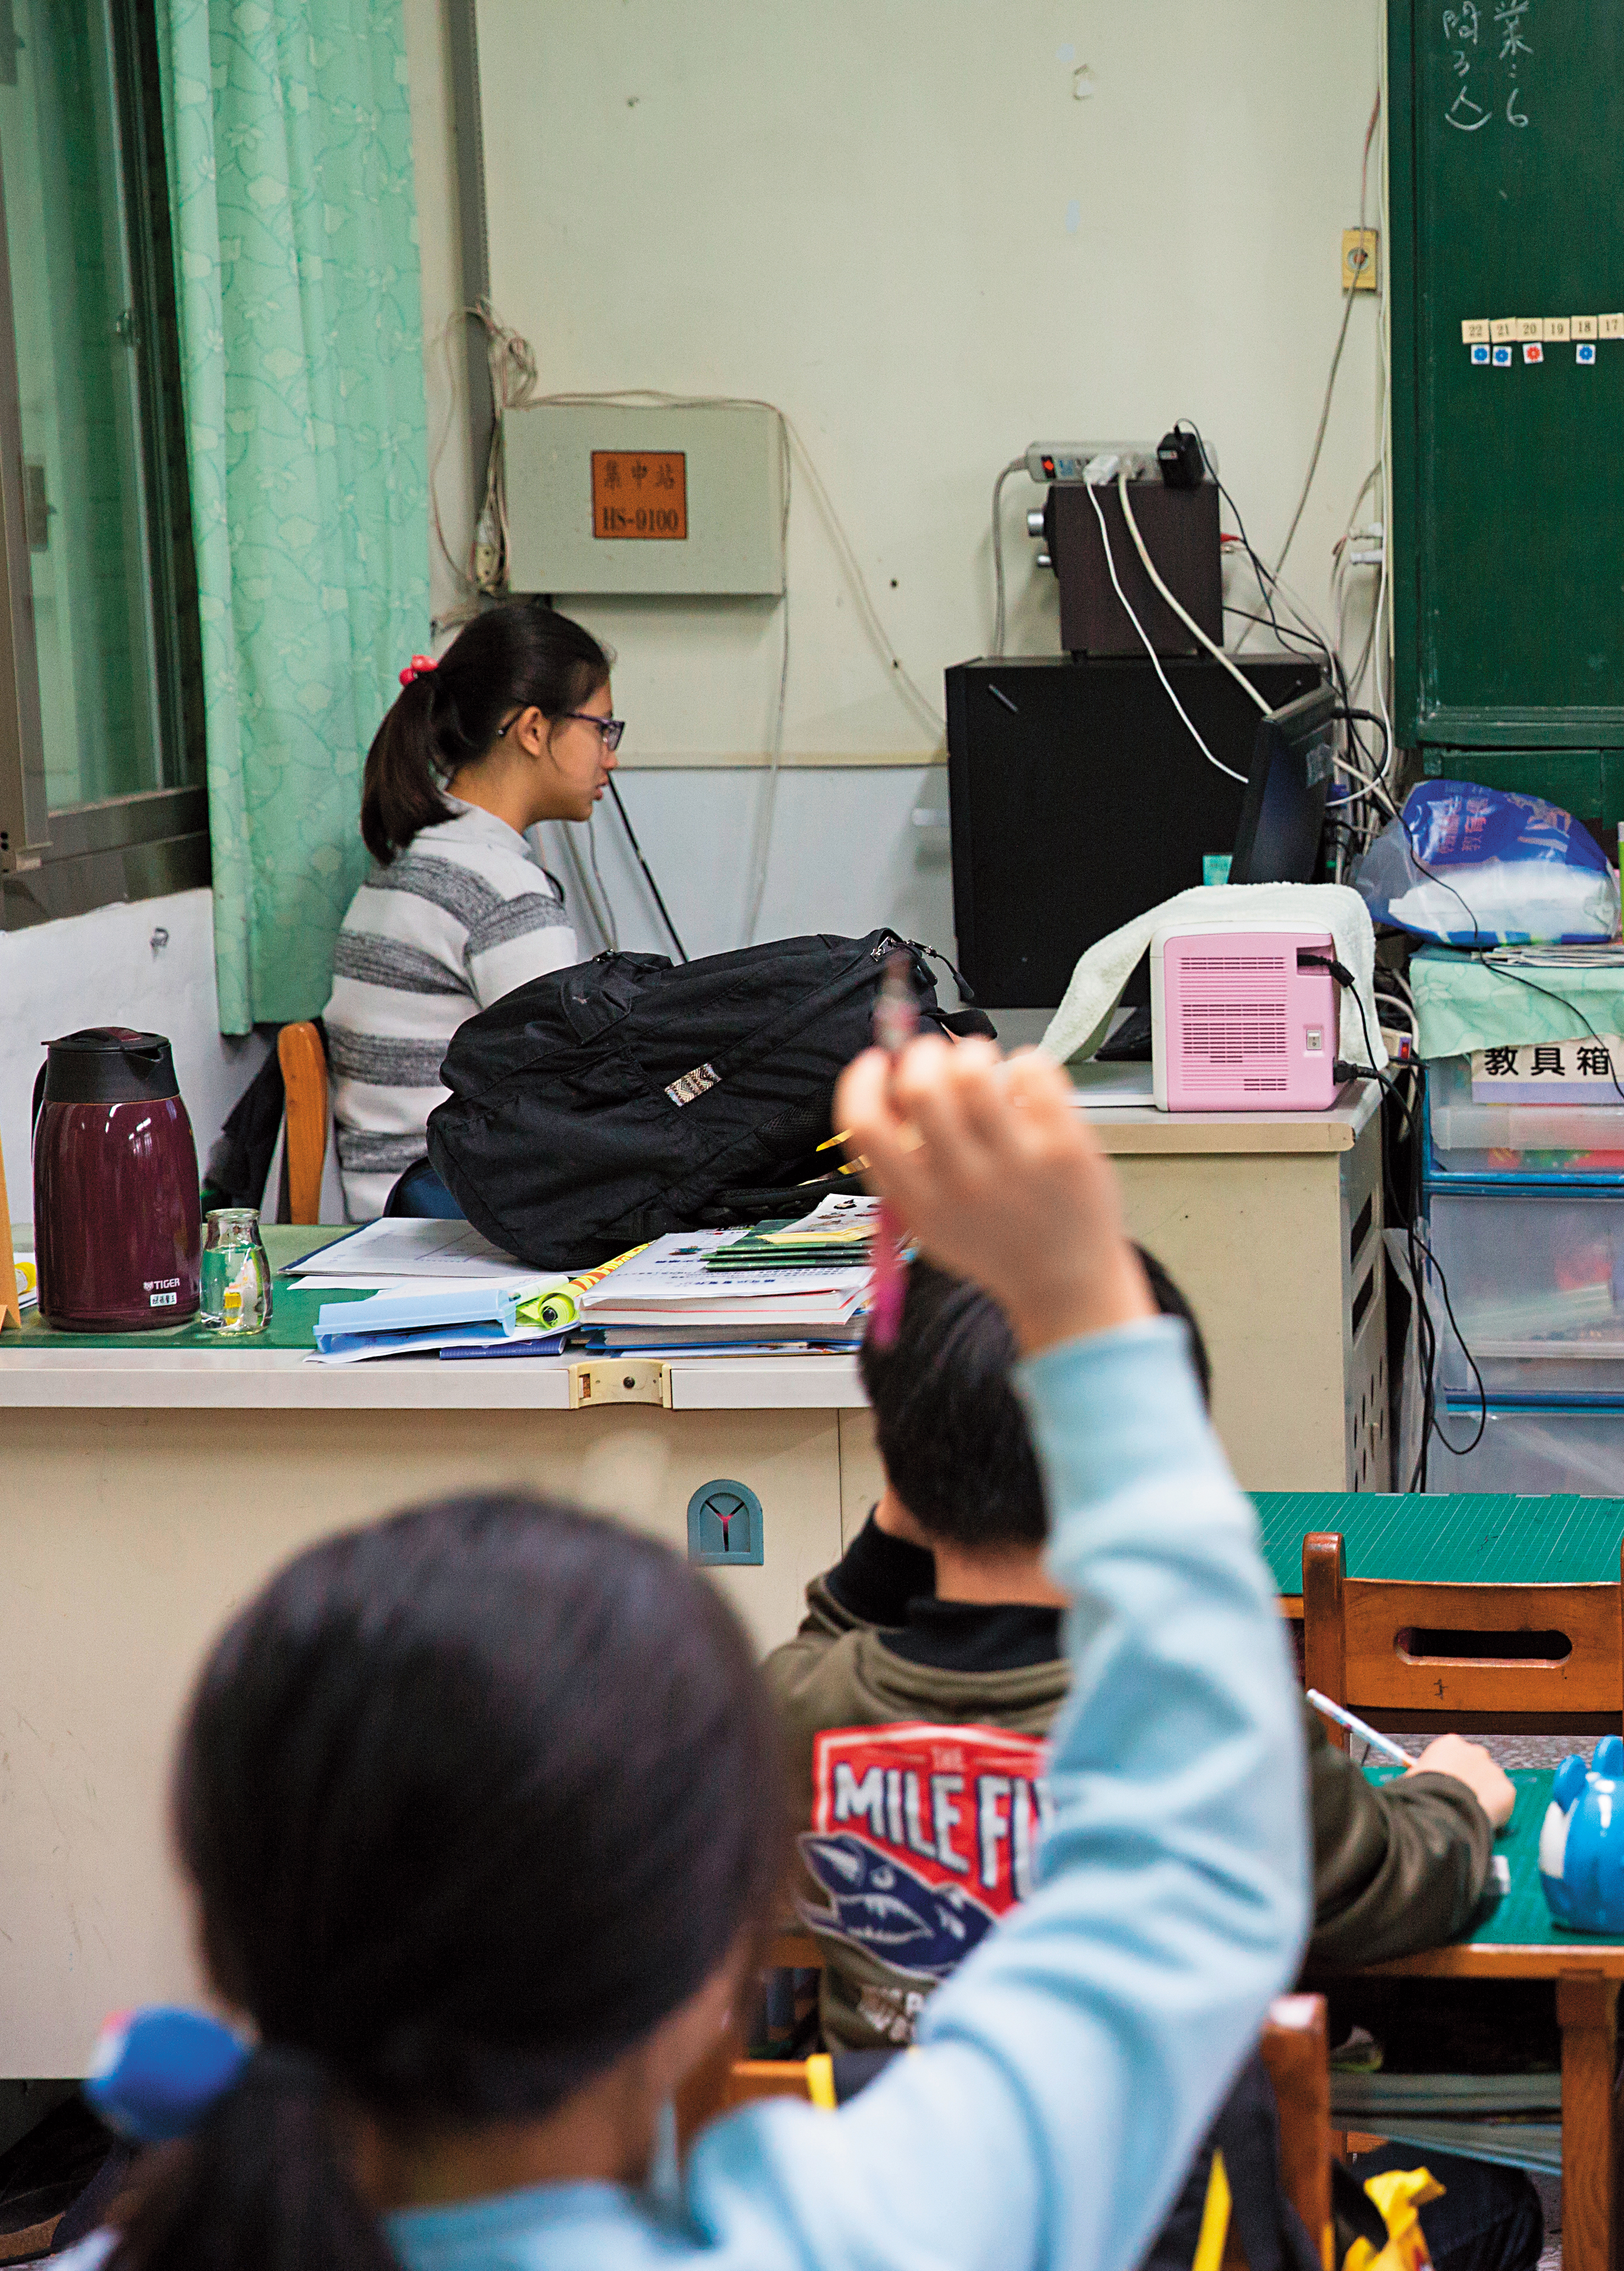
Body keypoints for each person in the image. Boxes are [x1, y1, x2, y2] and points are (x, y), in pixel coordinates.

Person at [95, 1028, 1306, 2271]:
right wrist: (1078, 1298)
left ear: (224, 1918)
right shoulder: (845, 2238)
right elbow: (1191, 1872)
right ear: (705, 1983)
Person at [763, 1249, 1542, 2271]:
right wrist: (1454, 1796)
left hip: (910, 2236)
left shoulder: (798, 1713)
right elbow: (1391, 1883)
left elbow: (824, 1642)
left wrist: (902, 1503)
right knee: (1493, 2203)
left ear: (897, 1465)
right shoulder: (1203, 1717)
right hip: (1173, 2241)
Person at [323, 601, 617, 1217]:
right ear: (534, 730)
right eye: (602, 729)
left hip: (381, 1210)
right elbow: (575, 1097)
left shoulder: (408, 862)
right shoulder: (503, 893)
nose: (611, 757)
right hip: (451, 1220)